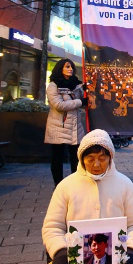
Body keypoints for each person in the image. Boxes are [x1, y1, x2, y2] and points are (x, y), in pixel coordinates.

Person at [35, 129, 133, 264]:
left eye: (102, 158)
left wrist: (131, 249)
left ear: (110, 158)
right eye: (90, 159)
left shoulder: (124, 183)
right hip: (77, 261)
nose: (96, 164)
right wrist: (60, 251)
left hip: (115, 259)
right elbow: (53, 226)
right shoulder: (66, 186)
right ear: (81, 159)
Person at [45, 58, 85, 186]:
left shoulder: (77, 85)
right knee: (58, 157)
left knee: (76, 157)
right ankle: (58, 185)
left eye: (71, 66)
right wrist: (80, 102)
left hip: (75, 127)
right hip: (59, 127)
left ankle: (76, 184)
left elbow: (84, 101)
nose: (70, 69)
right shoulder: (53, 86)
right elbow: (58, 105)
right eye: (67, 66)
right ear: (60, 68)